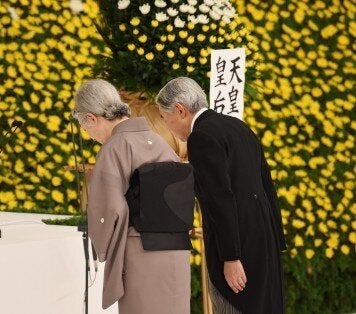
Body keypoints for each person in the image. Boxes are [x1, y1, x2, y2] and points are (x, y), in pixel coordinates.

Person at [156, 77, 286, 313]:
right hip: (264, 239)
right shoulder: (239, 127)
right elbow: (267, 186)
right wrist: (277, 242)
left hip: (238, 247)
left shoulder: (201, 137)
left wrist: (231, 257)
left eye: (165, 119)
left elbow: (219, 199)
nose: (168, 127)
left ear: (180, 110)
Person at [72, 79, 190, 313]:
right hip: (177, 251)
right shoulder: (159, 140)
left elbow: (110, 210)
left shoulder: (114, 147)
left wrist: (102, 249)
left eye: (86, 128)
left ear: (92, 118)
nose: (89, 135)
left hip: (141, 251)